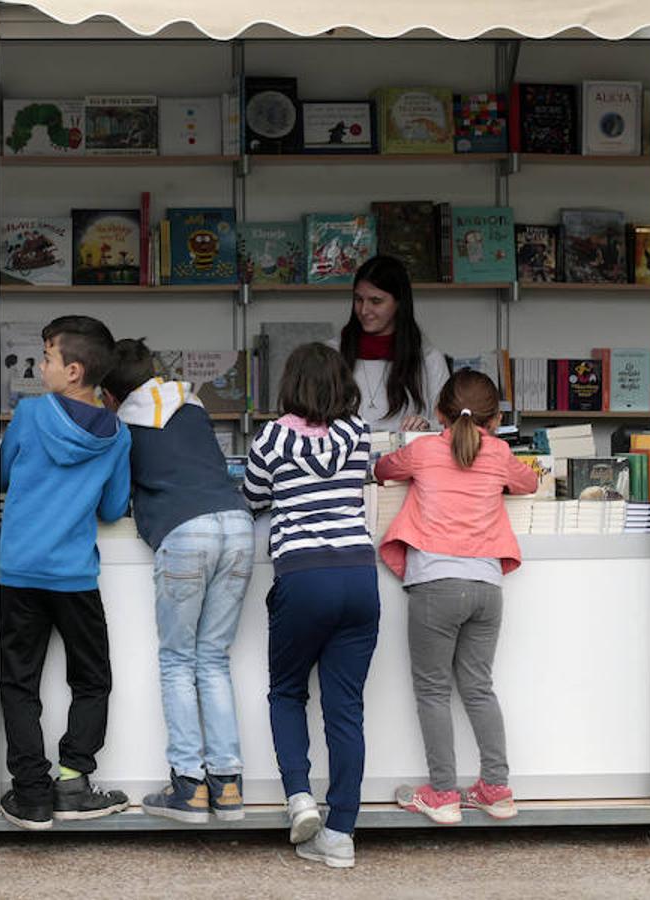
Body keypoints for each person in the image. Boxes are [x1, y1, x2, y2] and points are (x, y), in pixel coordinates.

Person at [99, 339, 254, 823]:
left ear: (109, 393)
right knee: (213, 659)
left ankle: (188, 786)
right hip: (238, 524)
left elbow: (116, 499)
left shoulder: (121, 426)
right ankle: (227, 785)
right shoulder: (193, 406)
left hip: (185, 533)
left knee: (177, 662)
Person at [375, 370, 538, 824]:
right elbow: (530, 484)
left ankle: (443, 794)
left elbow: (382, 470)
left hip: (436, 585)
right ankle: (496, 788)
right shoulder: (501, 452)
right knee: (479, 688)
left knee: (432, 690)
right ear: (498, 417)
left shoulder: (424, 449)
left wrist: (414, 440)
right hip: (487, 587)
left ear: (439, 412)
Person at [242, 342, 378, 870]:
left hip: (303, 575)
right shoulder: (359, 434)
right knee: (346, 709)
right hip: (359, 575)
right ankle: (340, 833)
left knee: (287, 691)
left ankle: (299, 798)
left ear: (290, 385)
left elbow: (253, 496)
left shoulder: (271, 437)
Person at [0, 316, 132, 830]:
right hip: (74, 576)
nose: (41, 365)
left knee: (19, 683)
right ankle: (74, 781)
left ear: (73, 370)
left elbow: (3, 472)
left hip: (20, 571)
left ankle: (31, 796)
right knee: (92, 680)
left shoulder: (30, 414)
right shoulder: (116, 433)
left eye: (48, 357)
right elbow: (115, 507)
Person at [335, 255, 450, 434]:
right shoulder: (332, 354)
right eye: (358, 299)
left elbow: (448, 425)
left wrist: (426, 425)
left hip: (408, 459)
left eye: (376, 301)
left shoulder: (429, 359)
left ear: (399, 303)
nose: (364, 310)